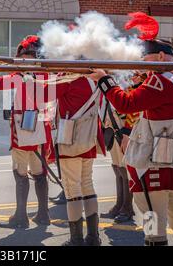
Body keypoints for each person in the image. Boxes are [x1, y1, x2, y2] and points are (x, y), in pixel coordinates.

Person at [91, 36, 173, 246]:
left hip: (154, 164)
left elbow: (125, 104)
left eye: (145, 56)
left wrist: (104, 80)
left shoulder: (160, 81)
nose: (141, 60)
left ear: (160, 56)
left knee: (152, 221)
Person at [0, 35, 53, 229]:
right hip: (41, 129)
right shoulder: (46, 74)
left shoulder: (20, 76)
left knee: (20, 173)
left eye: (25, 56)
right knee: (39, 173)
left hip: (23, 129)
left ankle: (21, 216)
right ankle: (43, 214)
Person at [54, 74, 106, 246]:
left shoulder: (68, 80)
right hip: (89, 140)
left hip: (71, 140)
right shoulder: (93, 80)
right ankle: (93, 237)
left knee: (72, 189)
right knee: (87, 185)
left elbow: (42, 94)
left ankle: (76, 240)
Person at [101, 74, 141, 223]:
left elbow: (134, 107)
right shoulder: (115, 75)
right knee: (117, 167)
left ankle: (127, 207)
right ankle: (119, 205)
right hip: (113, 125)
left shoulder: (133, 76)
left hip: (123, 127)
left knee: (125, 170)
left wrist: (127, 133)